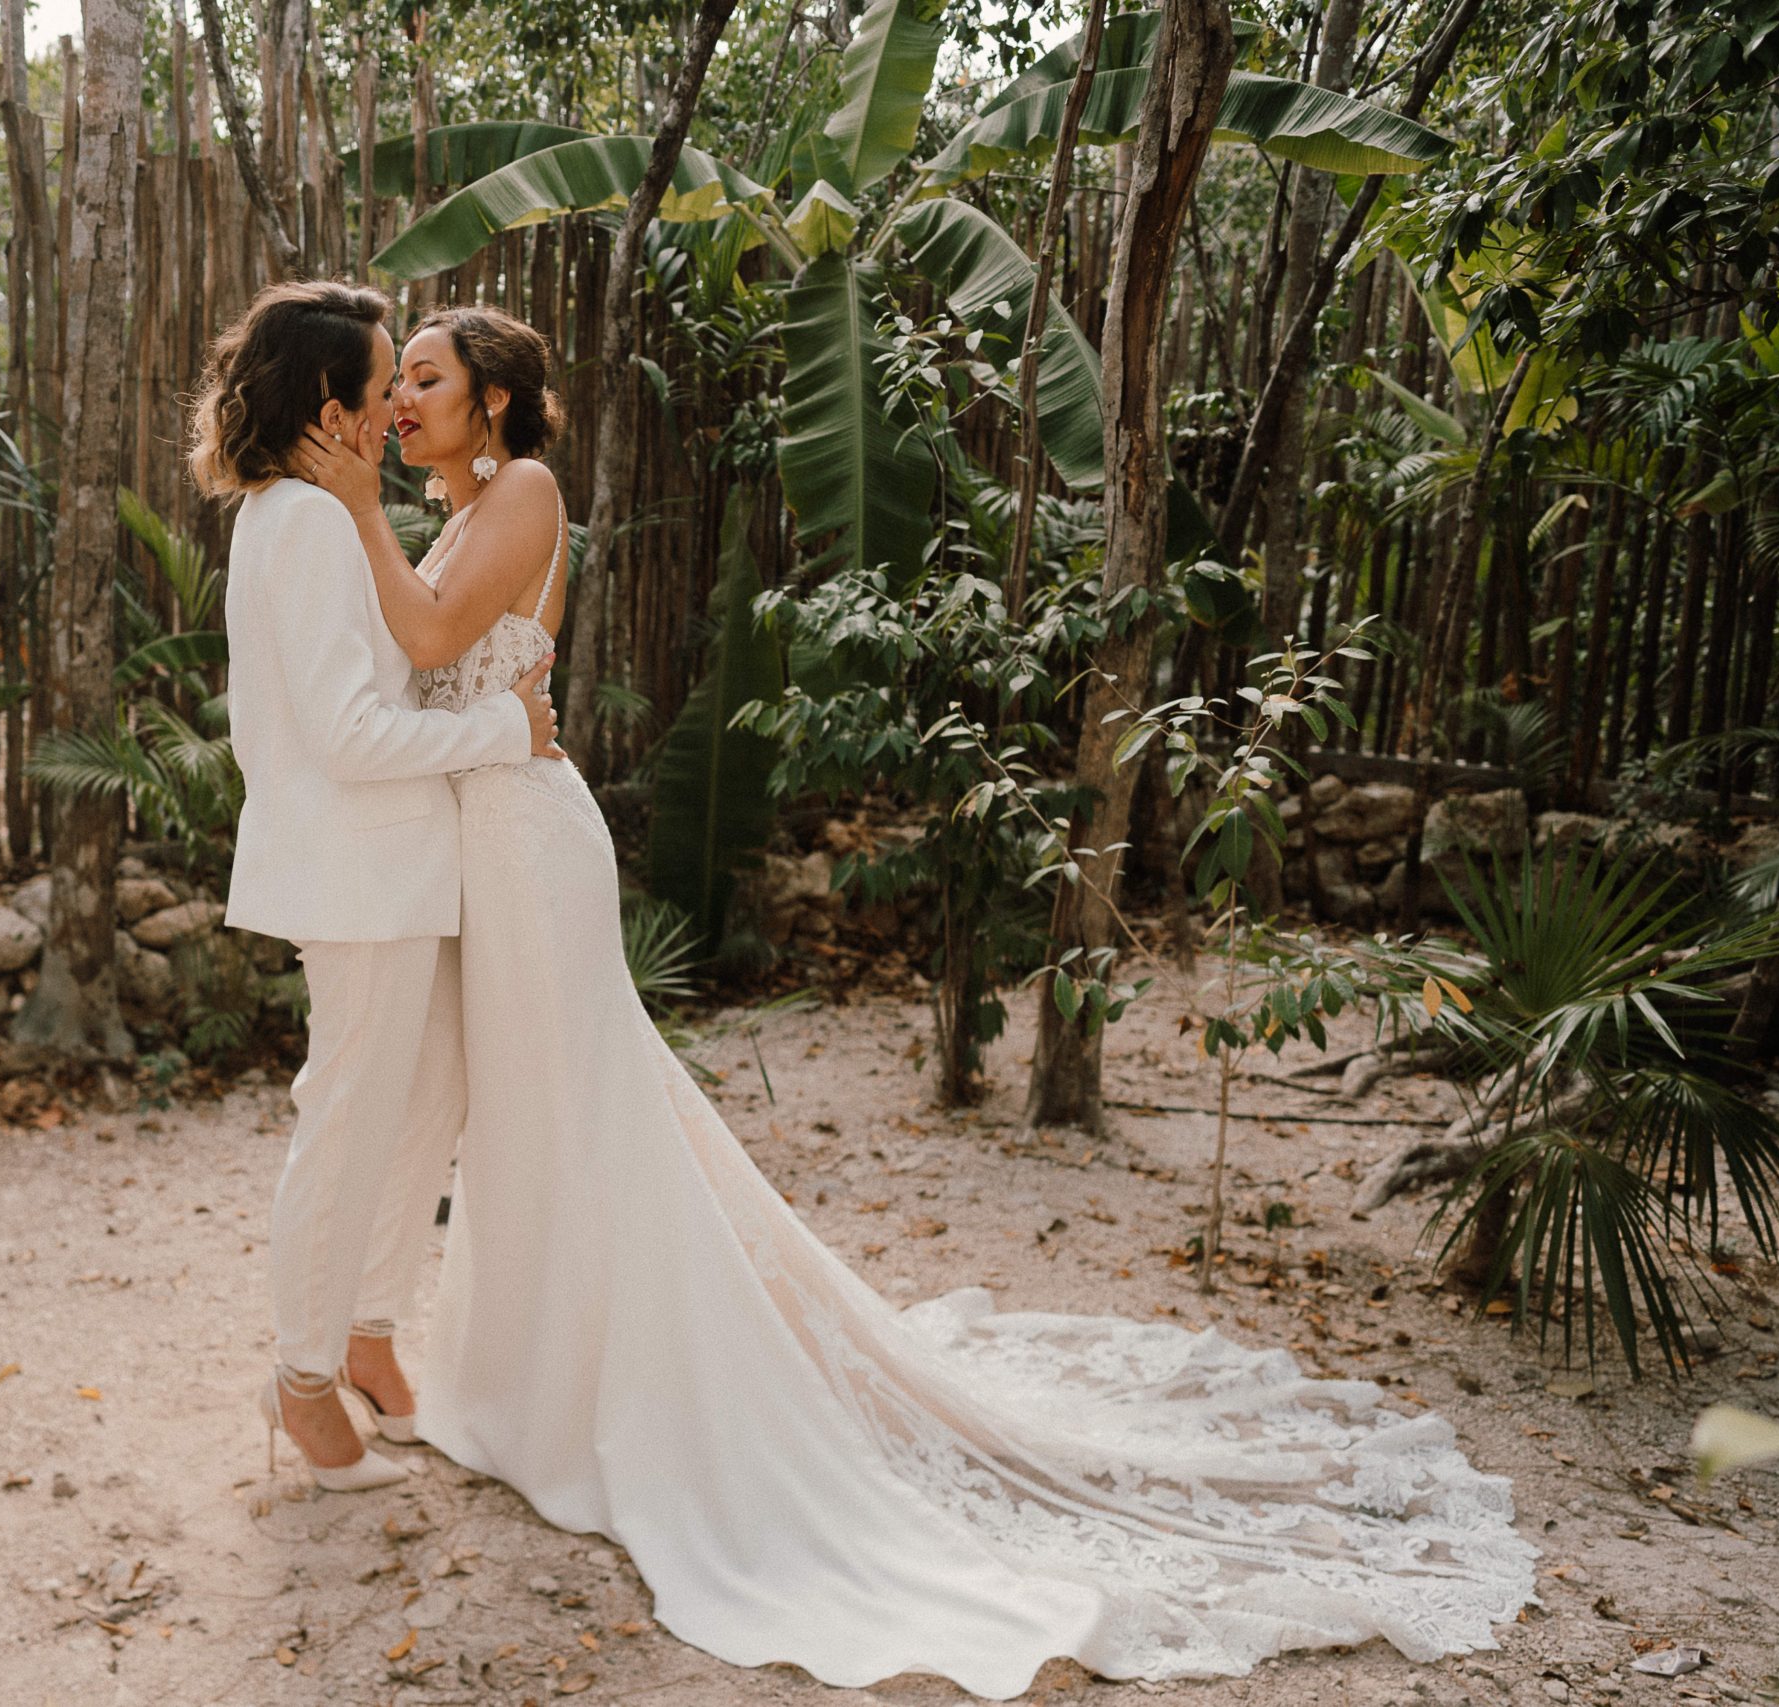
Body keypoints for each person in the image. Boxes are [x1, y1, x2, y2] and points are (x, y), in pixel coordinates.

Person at [287, 302, 1538, 1699]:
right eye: (396, 383)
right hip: (476, 841)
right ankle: (523, 1379)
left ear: (500, 400)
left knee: (579, 1111)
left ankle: (640, 1397)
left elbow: (440, 626)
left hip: (526, 842)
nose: (400, 401)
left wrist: (352, 505)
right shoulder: (457, 506)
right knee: (520, 1118)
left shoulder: (520, 491)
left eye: (427, 379)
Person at [192, 282, 559, 1493]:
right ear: (330, 402)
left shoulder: (310, 514)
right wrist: (504, 731)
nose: (393, 400)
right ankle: (302, 1384)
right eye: (380, 379)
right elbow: (351, 737)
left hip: (393, 868)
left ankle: (364, 1333)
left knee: (422, 1104)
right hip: (358, 870)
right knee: (346, 1125)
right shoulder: (297, 524)